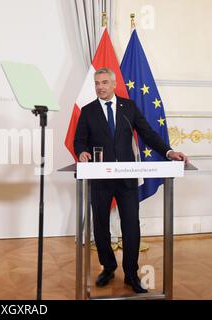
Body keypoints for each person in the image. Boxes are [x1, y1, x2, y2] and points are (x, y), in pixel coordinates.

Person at [73, 67, 188, 294]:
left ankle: (131, 273)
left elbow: (148, 133)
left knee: (131, 226)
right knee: (101, 226)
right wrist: (82, 153)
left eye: (105, 82)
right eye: (97, 83)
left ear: (114, 84)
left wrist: (168, 152)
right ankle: (108, 267)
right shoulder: (88, 111)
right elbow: (79, 141)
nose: (100, 87)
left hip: (126, 178)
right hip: (100, 179)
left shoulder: (129, 107)